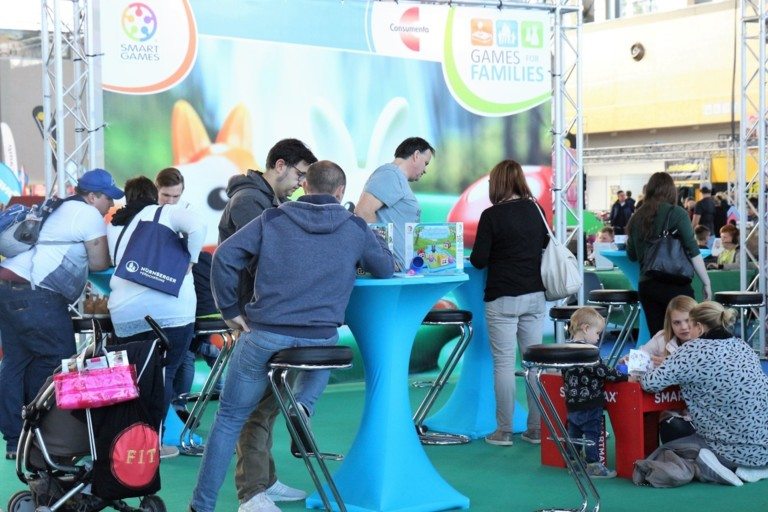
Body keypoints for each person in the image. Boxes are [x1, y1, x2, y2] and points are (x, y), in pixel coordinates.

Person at [189, 160, 394, 512]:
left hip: (265, 335)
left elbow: (224, 256)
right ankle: (303, 405)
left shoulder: (272, 219)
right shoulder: (355, 227)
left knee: (229, 419)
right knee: (325, 346)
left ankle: (201, 506)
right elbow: (386, 269)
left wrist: (229, 310)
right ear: (341, 192)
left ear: (305, 186)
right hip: (319, 342)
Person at [217, 139, 319, 508]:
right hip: (256, 319)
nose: (301, 184)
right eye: (299, 175)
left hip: (266, 316)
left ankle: (264, 479)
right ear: (279, 165)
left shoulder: (266, 202)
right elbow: (265, 260)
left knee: (268, 402)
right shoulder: (249, 201)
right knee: (253, 407)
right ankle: (252, 493)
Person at [0, 168, 122, 459]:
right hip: (38, 292)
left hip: (8, 284)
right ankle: (40, 433)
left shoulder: (58, 207)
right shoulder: (88, 215)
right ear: (91, 196)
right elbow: (99, 262)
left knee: (16, 362)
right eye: (108, 198)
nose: (111, 205)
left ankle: (15, 439)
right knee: (58, 360)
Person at [107, 176, 206, 459]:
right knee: (165, 375)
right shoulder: (164, 213)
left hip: (124, 313)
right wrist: (191, 260)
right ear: (154, 195)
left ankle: (127, 440)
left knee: (132, 379)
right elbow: (198, 226)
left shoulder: (115, 225)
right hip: (170, 312)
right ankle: (154, 443)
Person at [640, 301, 768, 485]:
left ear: (699, 327)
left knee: (662, 452)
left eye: (690, 324)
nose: (686, 329)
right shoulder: (743, 346)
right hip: (763, 449)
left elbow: (649, 383)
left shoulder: (691, 350)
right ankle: (752, 468)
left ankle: (714, 467)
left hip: (726, 449)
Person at [469, 159, 547, 446]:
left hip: (502, 297)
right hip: (534, 296)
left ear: (498, 183)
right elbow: (544, 246)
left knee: (503, 365)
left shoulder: (491, 216)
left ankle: (503, 431)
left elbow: (478, 260)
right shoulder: (537, 210)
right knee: (534, 365)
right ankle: (536, 429)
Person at [626, 172, 711, 335]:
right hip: (676, 284)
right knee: (687, 337)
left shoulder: (637, 217)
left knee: (659, 339)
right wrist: (706, 283)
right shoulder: (677, 213)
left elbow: (632, 255)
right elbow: (693, 250)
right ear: (672, 191)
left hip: (648, 285)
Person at [564, 307, 627, 478]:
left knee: (574, 433)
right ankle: (593, 465)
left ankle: (573, 462)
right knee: (592, 434)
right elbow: (602, 371)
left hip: (572, 402)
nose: (598, 338)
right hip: (590, 402)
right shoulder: (589, 351)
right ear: (585, 328)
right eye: (597, 333)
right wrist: (624, 377)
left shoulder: (566, 348)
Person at [355, 136, 435, 270]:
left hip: (398, 272)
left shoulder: (395, 176)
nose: (425, 170)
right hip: (390, 274)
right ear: (416, 155)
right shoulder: (390, 174)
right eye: (425, 163)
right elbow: (363, 211)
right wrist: (383, 259)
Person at [637, 295, 698, 367]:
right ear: (670, 324)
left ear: (699, 320)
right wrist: (632, 359)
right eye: (677, 322)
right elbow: (639, 356)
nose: (683, 327)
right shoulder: (661, 338)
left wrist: (673, 364)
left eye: (688, 320)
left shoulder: (707, 341)